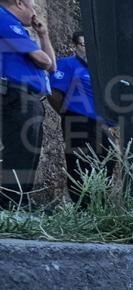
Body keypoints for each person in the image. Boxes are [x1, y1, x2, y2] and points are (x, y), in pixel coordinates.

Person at [0, 0, 54, 209]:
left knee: (29, 151)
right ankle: (11, 202)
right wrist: (41, 55)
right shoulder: (5, 19)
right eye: (33, 8)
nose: (35, 15)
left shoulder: (19, 29)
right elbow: (43, 61)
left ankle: (21, 200)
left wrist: (43, 35)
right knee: (19, 150)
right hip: (16, 95)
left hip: (29, 98)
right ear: (19, 3)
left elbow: (51, 65)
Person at [50, 31, 113, 205]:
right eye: (85, 45)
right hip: (78, 121)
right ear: (75, 46)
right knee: (80, 163)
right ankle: (82, 207)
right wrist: (68, 113)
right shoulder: (68, 65)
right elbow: (55, 93)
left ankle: (98, 205)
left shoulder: (98, 72)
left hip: (100, 125)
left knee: (107, 160)